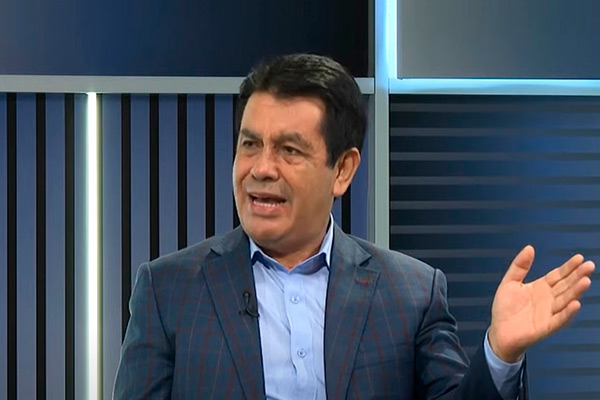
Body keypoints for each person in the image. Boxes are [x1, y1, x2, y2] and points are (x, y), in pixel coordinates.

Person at [113, 54, 595, 399]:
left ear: (342, 170)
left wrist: (499, 354)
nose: (261, 168)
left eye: (289, 150)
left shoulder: (411, 293)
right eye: (250, 144)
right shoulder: (168, 289)